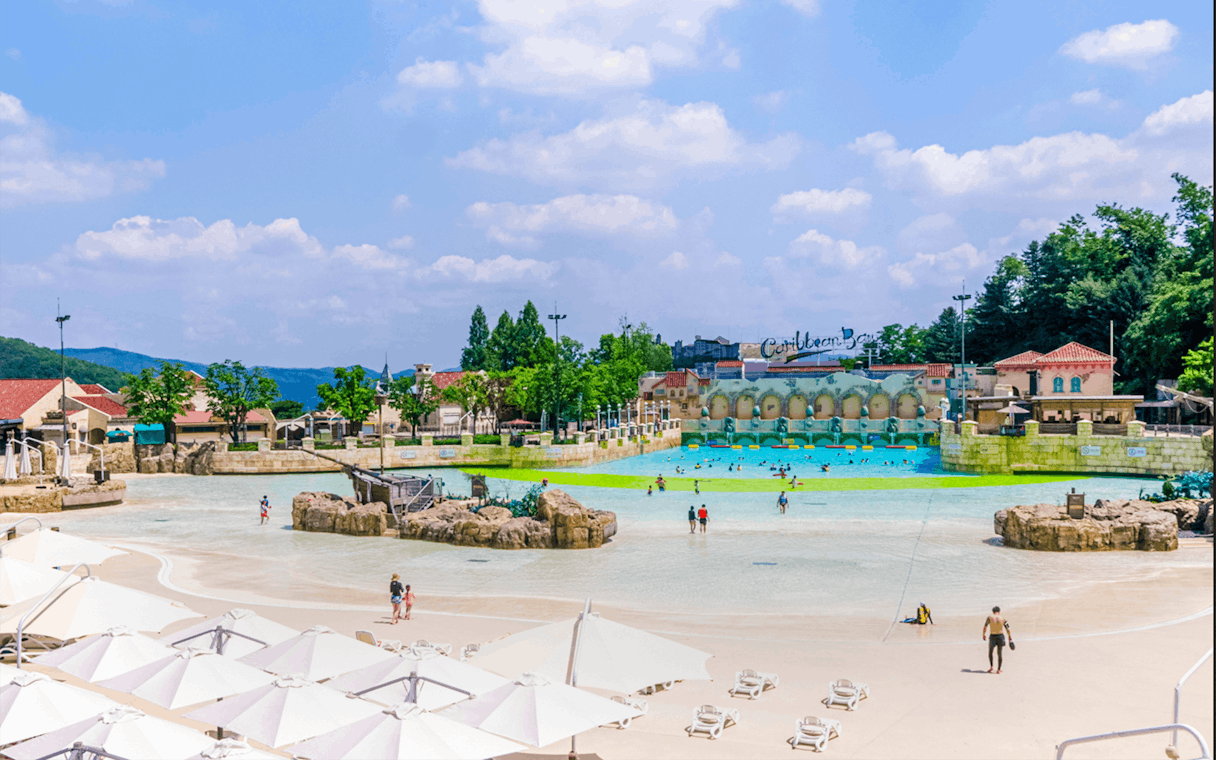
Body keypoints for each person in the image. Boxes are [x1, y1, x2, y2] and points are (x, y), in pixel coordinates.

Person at [982, 606, 1012, 673]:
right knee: (1000, 653)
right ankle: (998, 669)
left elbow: (985, 626)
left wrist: (983, 634)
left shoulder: (989, 617)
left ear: (993, 611)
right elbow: (1008, 628)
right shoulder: (1003, 619)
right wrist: (1009, 637)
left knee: (990, 652)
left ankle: (991, 667)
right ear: (999, 611)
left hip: (992, 636)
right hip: (1000, 636)